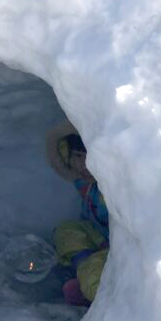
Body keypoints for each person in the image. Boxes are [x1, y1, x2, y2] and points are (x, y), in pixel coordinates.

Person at [46, 121, 108, 306]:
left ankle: (91, 291)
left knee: (95, 280)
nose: (84, 164)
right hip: (97, 235)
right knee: (67, 230)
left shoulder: (112, 190)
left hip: (117, 249)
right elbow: (57, 152)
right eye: (78, 156)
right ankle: (82, 266)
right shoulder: (83, 182)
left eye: (90, 156)